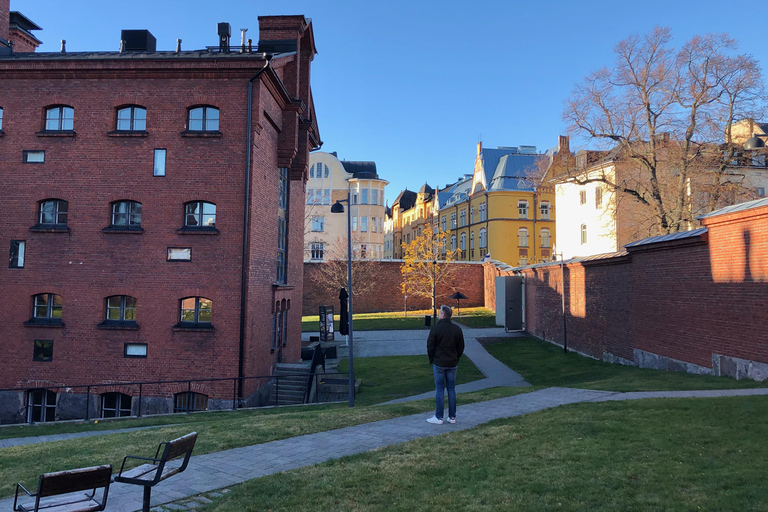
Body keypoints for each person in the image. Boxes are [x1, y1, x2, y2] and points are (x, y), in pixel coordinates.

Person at [426, 304, 465, 425]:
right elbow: (461, 346)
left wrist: (432, 358)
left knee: (440, 389)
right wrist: (456, 358)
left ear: (443, 315)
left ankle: (439, 417)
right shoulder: (457, 329)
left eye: (439, 313)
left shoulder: (436, 329)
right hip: (452, 362)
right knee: (451, 389)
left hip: (439, 362)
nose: (438, 314)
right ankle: (452, 416)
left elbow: (430, 346)